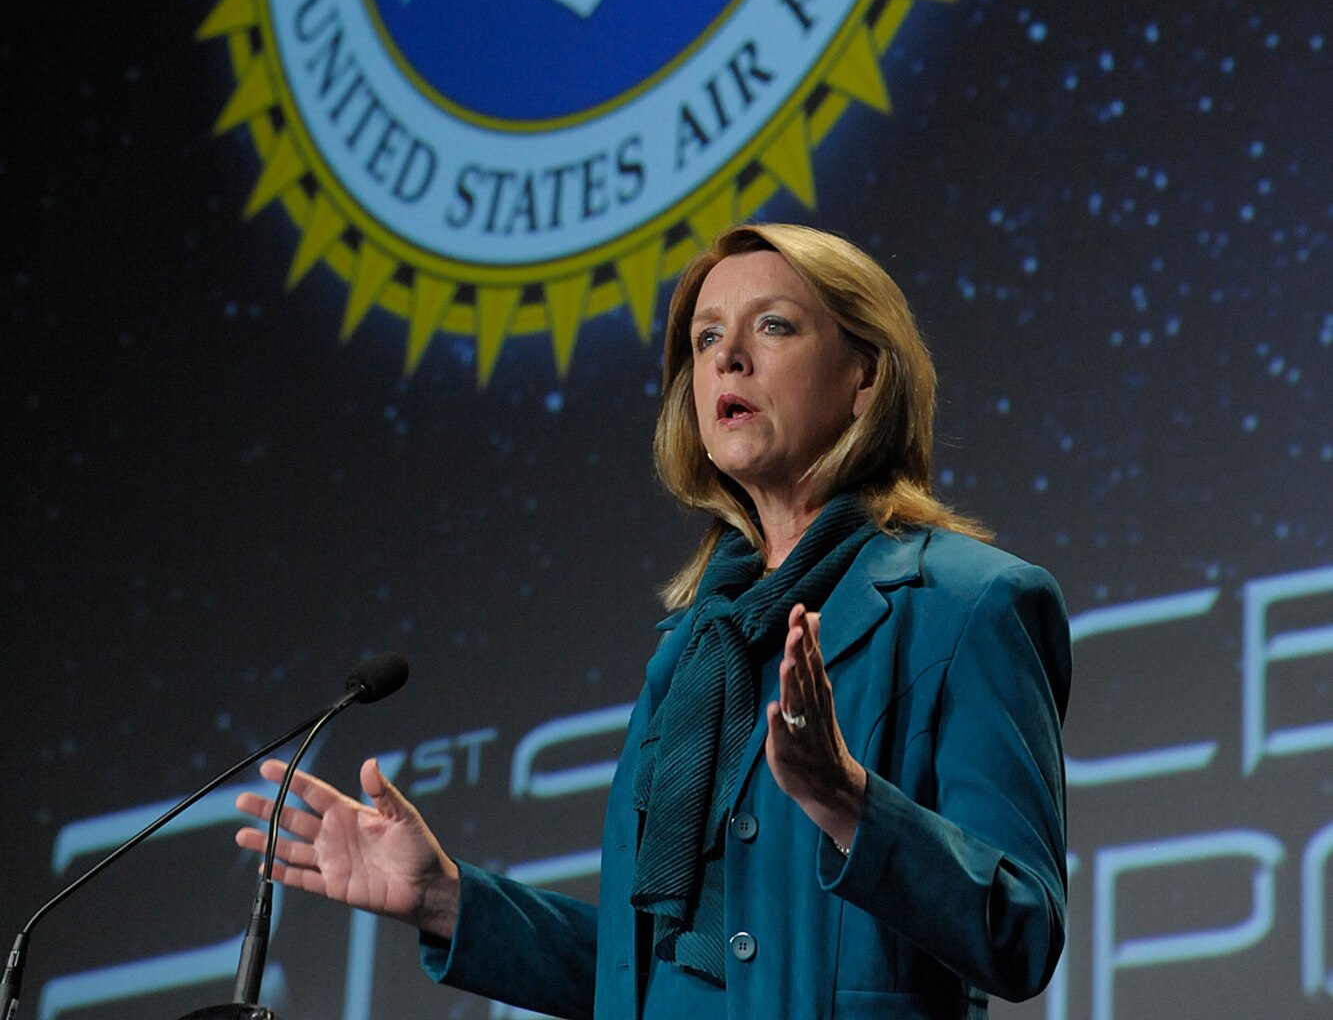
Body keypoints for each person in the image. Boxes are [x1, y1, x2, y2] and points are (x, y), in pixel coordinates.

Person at [236, 223, 1070, 1017]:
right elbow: (647, 976)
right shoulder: (691, 650)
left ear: (866, 378)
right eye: (706, 340)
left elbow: (1020, 931)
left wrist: (848, 801)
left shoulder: (968, 604)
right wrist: (445, 898)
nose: (727, 359)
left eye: (771, 327)